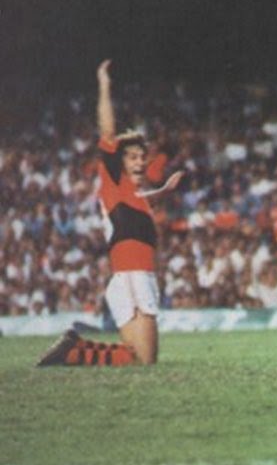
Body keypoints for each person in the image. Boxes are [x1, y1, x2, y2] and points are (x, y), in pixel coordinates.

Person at [37, 60, 184, 367]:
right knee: (144, 360)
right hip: (132, 277)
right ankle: (72, 352)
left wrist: (163, 192)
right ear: (119, 161)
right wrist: (104, 84)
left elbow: (144, 199)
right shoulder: (113, 180)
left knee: (138, 358)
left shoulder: (137, 195)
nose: (141, 162)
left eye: (143, 157)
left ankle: (73, 349)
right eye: (132, 157)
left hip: (139, 277)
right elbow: (107, 129)